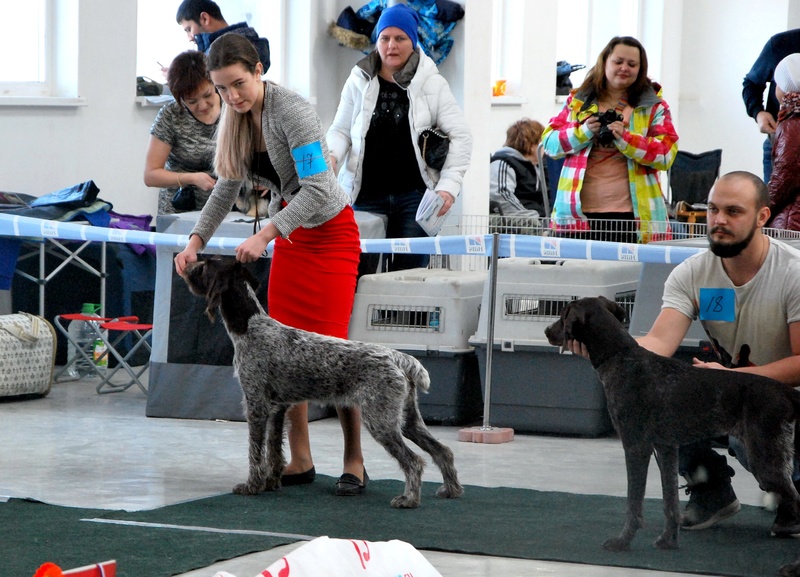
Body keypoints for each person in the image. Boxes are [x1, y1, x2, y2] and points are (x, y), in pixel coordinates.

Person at [173, 34, 366, 496]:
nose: (231, 97)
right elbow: (224, 188)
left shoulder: (292, 111)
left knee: (334, 352)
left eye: (238, 84)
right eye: (222, 89)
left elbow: (319, 188)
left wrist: (265, 234)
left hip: (331, 237)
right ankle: (299, 459)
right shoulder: (236, 121)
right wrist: (195, 241)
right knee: (284, 353)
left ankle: (354, 461)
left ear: (258, 69)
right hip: (293, 239)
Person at [569, 171, 800, 534]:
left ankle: (788, 499)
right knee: (653, 401)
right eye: (712, 209)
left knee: (778, 473)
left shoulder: (793, 274)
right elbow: (659, 343)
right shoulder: (690, 274)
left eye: (734, 211)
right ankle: (712, 492)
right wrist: (606, 349)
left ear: (762, 218)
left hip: (784, 406)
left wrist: (732, 378)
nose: (719, 220)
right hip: (731, 396)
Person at [326, 3, 472, 272]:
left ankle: (403, 317)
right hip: (364, 195)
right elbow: (340, 130)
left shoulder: (432, 82)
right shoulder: (358, 79)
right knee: (357, 274)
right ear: (377, 40)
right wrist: (332, 157)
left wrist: (448, 186)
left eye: (400, 38)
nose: (391, 45)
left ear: (413, 42)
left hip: (415, 200)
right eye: (384, 38)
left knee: (408, 280)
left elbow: (461, 136)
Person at [542, 36, 678, 244]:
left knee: (625, 276)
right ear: (604, 62)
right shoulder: (578, 101)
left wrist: (626, 139)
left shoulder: (654, 106)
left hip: (632, 218)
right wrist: (584, 131)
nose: (624, 68)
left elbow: (665, 155)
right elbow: (550, 144)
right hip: (575, 217)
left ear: (640, 70)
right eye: (618, 62)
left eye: (632, 64)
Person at [144, 50, 221, 214]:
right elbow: (150, 175)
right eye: (192, 101)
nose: (202, 106)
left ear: (214, 82)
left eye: (207, 95)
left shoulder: (234, 107)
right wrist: (191, 179)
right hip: (179, 211)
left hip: (226, 210)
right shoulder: (170, 115)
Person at [742, 28, 800, 183]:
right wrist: (758, 113)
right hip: (778, 144)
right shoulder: (781, 44)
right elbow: (751, 83)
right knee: (773, 202)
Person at [175, 0, 270, 74]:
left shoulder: (231, 49)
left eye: (189, 29)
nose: (190, 38)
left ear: (205, 18)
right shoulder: (245, 40)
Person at [766, 53, 800, 231]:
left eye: (777, 84)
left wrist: (759, 211)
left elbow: (784, 177)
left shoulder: (793, 124)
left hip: (791, 225)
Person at [489, 118, 548, 218]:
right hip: (521, 226)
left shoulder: (539, 167)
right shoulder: (504, 163)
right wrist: (531, 219)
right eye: (542, 143)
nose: (545, 148)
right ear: (532, 145)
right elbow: (501, 195)